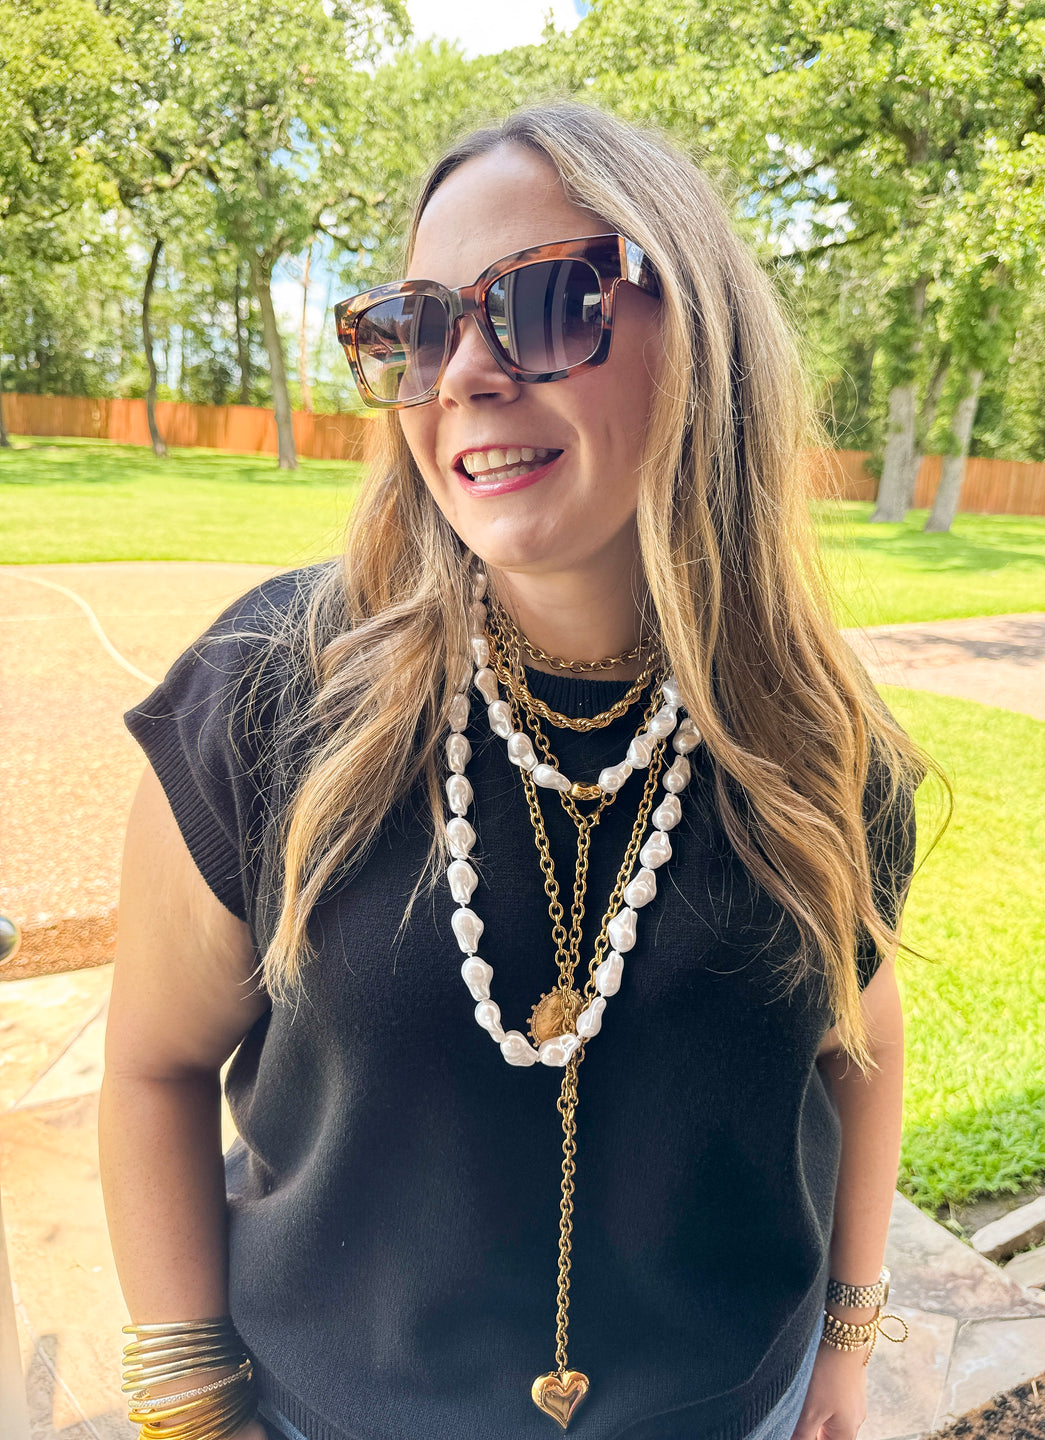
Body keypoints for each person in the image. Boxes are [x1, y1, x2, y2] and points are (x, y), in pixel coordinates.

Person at [101, 100, 927, 1440]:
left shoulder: (823, 743)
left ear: (700, 329)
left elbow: (863, 1038)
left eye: (544, 304)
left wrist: (846, 1340)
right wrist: (195, 1407)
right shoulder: (265, 693)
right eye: (414, 331)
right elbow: (149, 1066)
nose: (469, 371)